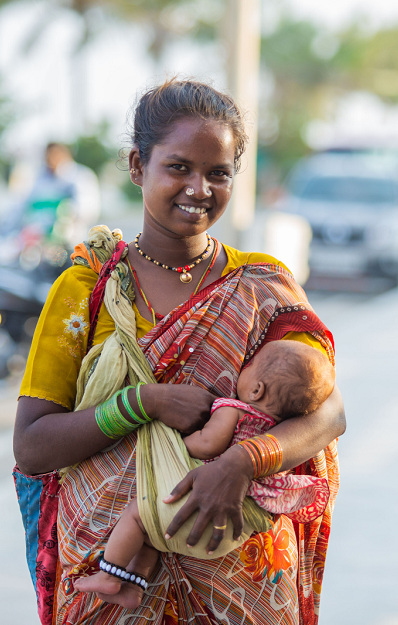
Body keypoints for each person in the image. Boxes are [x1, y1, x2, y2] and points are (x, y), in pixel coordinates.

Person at [14, 79, 345, 625]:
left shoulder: (262, 286)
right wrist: (142, 402)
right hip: (106, 578)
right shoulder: (89, 287)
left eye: (219, 173)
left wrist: (241, 462)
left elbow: (329, 412)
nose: (199, 188)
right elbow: (32, 446)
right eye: (179, 167)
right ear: (137, 165)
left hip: (244, 578)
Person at [74, 339, 335, 609]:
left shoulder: (233, 410)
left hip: (198, 506)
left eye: (251, 365)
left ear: (256, 390)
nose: (244, 367)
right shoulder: (276, 433)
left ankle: (109, 573)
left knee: (138, 517)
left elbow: (208, 444)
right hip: (229, 531)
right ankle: (135, 584)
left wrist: (175, 448)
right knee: (153, 536)